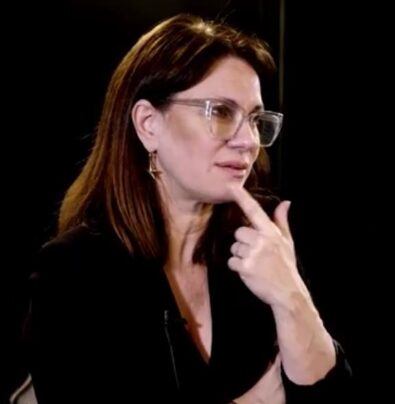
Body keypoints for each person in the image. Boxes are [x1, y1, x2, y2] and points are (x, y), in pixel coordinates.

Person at [27, 13, 352, 403]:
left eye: (254, 119)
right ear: (148, 124)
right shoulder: (73, 271)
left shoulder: (264, 235)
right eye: (221, 112)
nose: (249, 141)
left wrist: (292, 297)